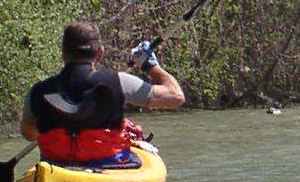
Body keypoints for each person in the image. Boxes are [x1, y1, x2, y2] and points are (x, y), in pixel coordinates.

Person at [21, 21, 186, 167]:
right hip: (109, 165)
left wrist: (64, 127)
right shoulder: (120, 82)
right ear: (100, 53)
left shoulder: (37, 91)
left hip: (56, 167)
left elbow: (29, 133)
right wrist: (149, 65)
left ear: (63, 53)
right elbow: (175, 97)